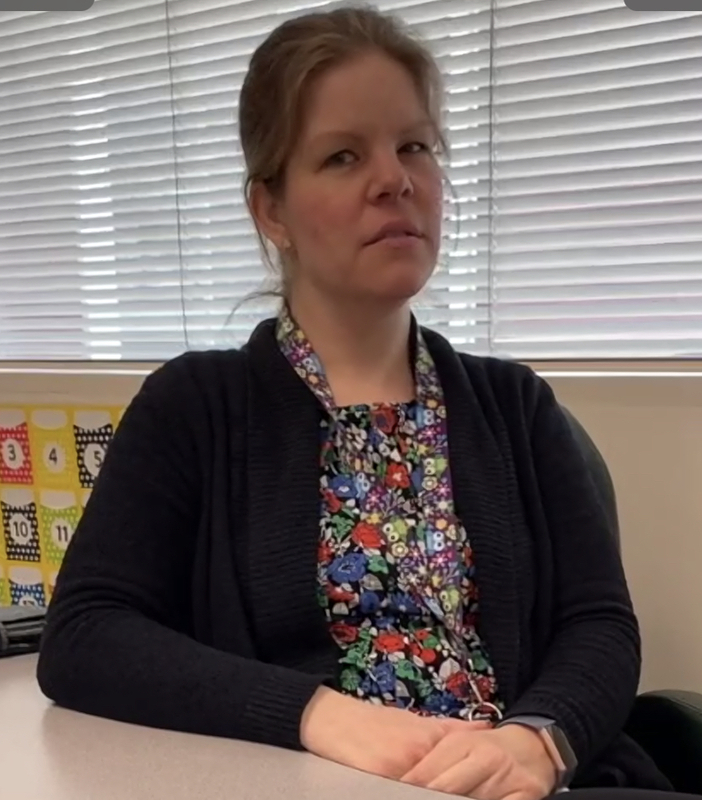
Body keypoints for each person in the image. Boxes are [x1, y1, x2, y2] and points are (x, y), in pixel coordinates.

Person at [36, 6, 693, 800]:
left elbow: (600, 625)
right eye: (344, 156)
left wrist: (540, 737)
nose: (396, 178)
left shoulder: (514, 405)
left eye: (414, 145)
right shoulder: (194, 407)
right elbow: (85, 635)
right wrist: (318, 714)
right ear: (270, 210)